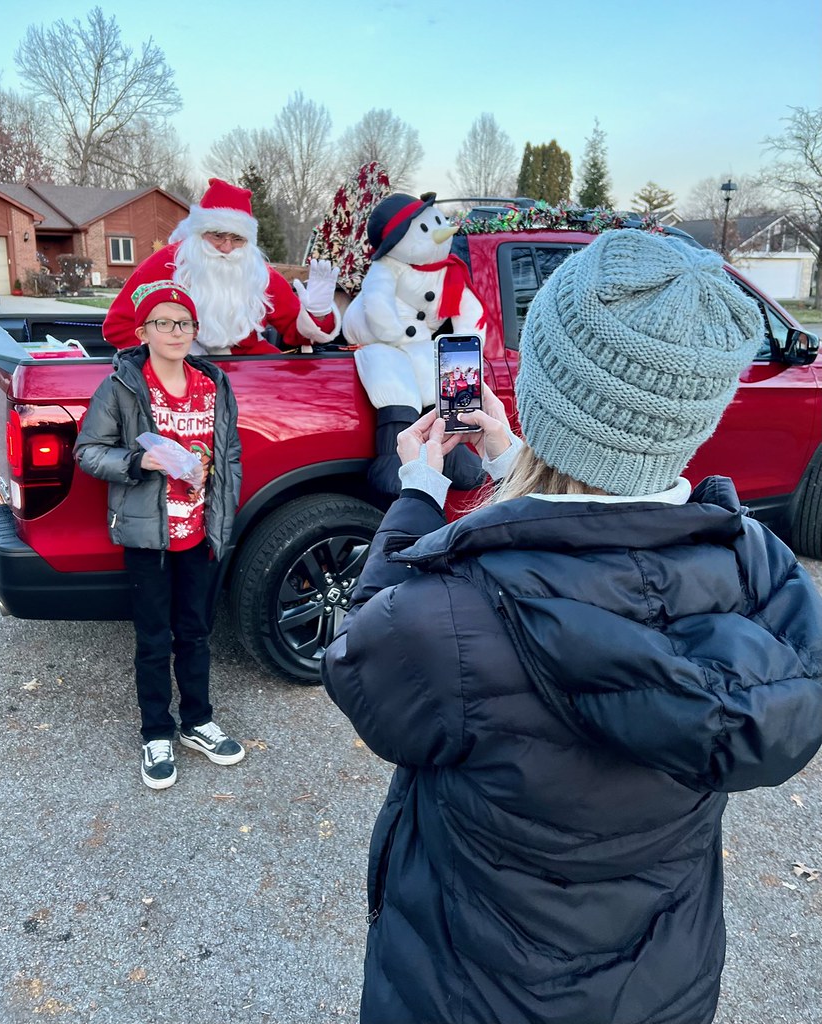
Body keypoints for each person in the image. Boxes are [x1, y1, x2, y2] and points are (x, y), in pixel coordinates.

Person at [321, 229, 822, 1024]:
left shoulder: (446, 617)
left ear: (547, 392)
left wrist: (416, 492)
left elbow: (355, 662)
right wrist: (516, 460)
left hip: (470, 992)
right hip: (657, 985)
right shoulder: (759, 568)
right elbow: (611, 533)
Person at [76, 280, 245, 791]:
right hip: (148, 539)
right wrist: (138, 459)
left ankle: (197, 722)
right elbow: (87, 451)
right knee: (153, 639)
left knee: (194, 632)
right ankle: (156, 732)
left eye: (185, 323)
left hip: (197, 532)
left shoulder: (213, 385)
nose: (176, 331)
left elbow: (229, 455)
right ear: (143, 330)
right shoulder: (124, 387)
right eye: (164, 322)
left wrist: (223, 517)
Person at [104, 178, 341, 356]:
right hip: (178, 371)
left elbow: (295, 330)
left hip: (247, 367)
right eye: (218, 236)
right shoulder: (166, 264)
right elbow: (118, 326)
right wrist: (172, 356)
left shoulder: (257, 272)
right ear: (199, 233)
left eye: (237, 239)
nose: (227, 248)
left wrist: (318, 314)